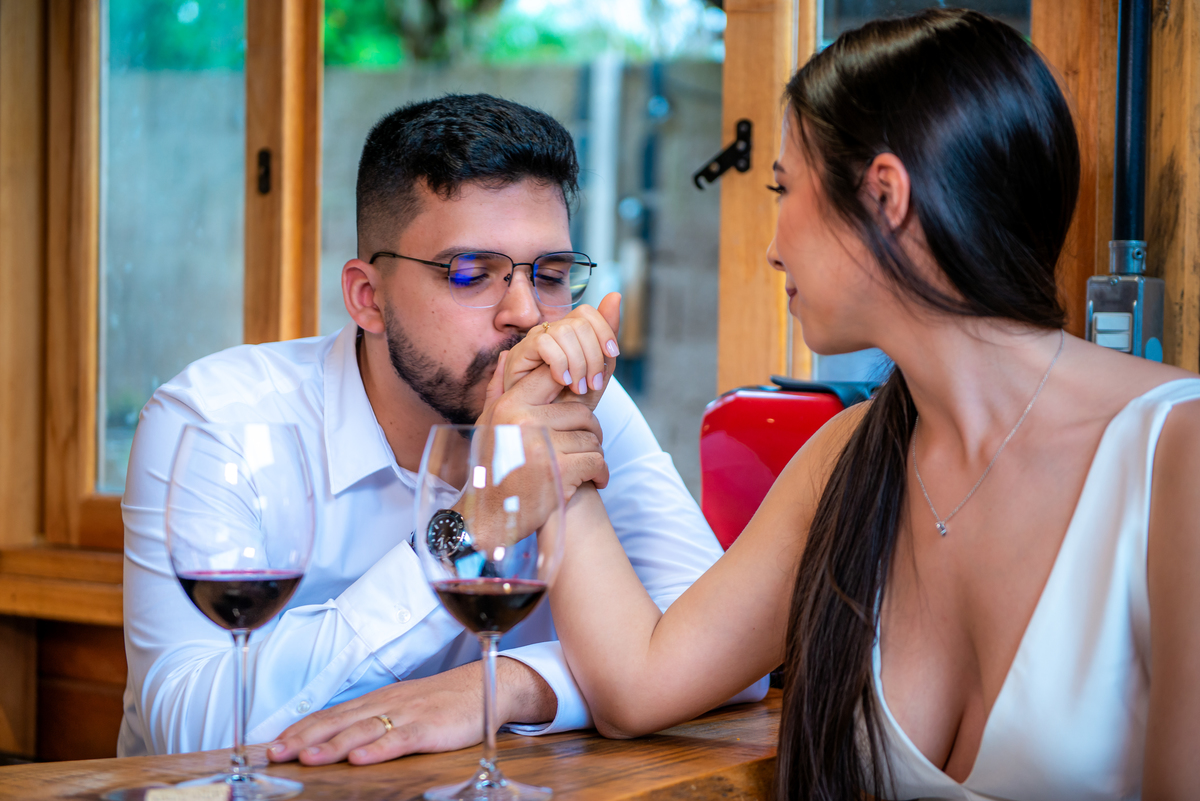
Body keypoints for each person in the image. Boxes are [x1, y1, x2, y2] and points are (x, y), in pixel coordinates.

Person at [514, 10, 1200, 800]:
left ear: (884, 194)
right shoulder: (849, 456)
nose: (770, 244)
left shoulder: (1172, 455)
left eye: (783, 189)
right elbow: (639, 680)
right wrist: (555, 431)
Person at [119, 93, 766, 761]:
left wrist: (506, 686)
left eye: (550, 274)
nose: (525, 314)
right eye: (469, 273)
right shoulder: (218, 421)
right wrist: (470, 528)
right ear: (367, 297)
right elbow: (189, 729)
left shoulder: (576, 402)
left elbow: (728, 658)